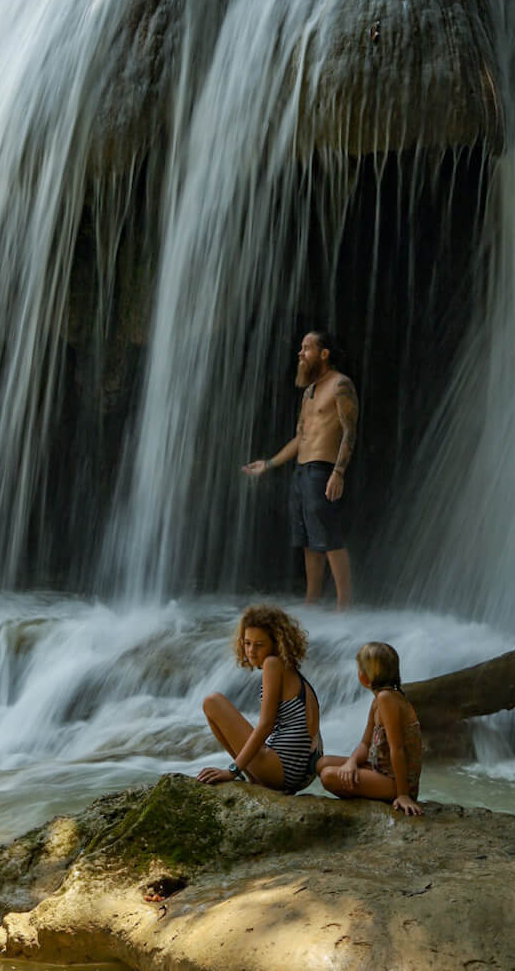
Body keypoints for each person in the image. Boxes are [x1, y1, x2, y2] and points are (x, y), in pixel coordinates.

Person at [243, 330, 357, 610]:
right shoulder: (308, 392)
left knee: (329, 538)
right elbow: (300, 438)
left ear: (324, 353)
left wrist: (338, 473)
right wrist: (268, 464)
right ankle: (312, 601)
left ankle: (345, 606)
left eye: (306, 348)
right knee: (308, 540)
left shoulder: (340, 384)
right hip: (301, 472)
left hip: (323, 470)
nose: (300, 353)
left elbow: (349, 432)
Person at [197, 604, 322, 794]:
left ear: (276, 643)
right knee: (213, 704)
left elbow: (266, 726)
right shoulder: (293, 673)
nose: (251, 651)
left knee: (212, 702)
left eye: (259, 644)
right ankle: (251, 775)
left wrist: (232, 771)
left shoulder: (273, 664)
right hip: (303, 772)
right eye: (247, 643)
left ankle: (242, 772)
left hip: (284, 769)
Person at [317, 641, 423, 815]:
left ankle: (379, 794)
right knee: (322, 763)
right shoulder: (379, 700)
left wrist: (403, 794)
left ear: (364, 677)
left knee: (328, 776)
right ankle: (365, 785)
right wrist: (350, 763)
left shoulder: (387, 699)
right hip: (379, 768)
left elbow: (398, 749)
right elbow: (365, 744)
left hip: (396, 781)